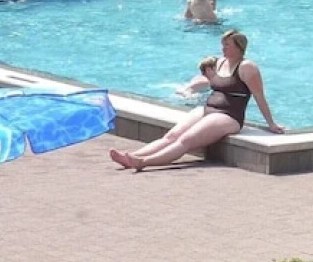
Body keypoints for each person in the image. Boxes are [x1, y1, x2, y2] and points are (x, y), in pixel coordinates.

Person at [109, 30, 283, 170]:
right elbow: (207, 81)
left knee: (186, 140)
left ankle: (144, 162)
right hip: (208, 109)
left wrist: (271, 124)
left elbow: (259, 96)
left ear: (239, 47)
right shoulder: (221, 62)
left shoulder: (247, 68)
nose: (223, 49)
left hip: (229, 116)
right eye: (222, 45)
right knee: (172, 136)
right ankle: (132, 156)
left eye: (227, 46)